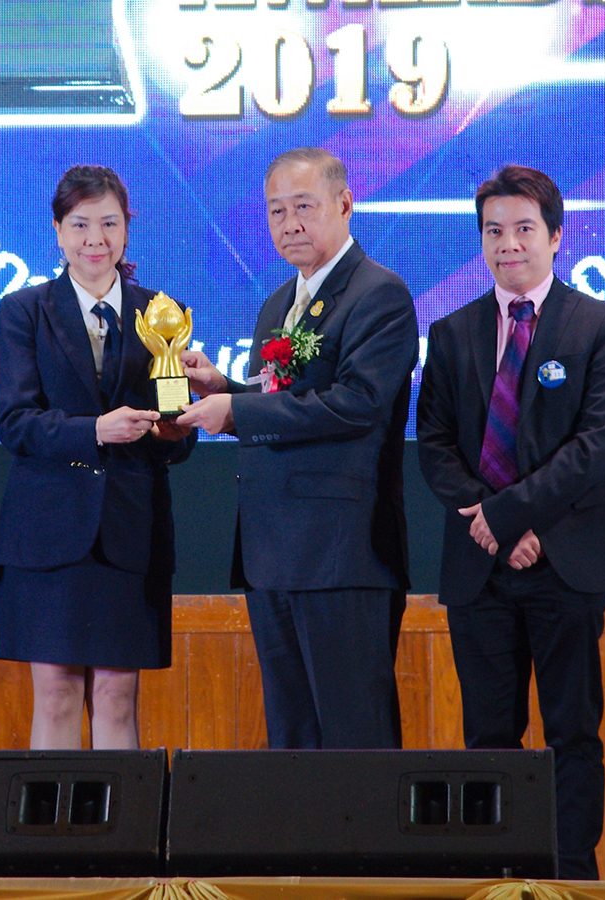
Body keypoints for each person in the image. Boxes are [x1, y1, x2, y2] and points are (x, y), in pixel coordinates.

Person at [415, 164, 605, 880]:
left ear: (556, 236)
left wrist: (510, 517)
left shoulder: (600, 326)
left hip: (565, 561)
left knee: (574, 732)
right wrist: (496, 527)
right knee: (488, 736)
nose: (508, 244)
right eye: (494, 231)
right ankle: (495, 875)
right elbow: (435, 446)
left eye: (524, 229)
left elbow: (595, 446)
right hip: (479, 570)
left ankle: (573, 877)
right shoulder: (451, 333)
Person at [178, 147, 417, 749]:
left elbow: (356, 404)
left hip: (342, 553)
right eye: (276, 210)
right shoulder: (278, 303)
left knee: (353, 739)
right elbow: (280, 401)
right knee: (292, 741)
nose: (289, 223)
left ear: (345, 204)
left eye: (304, 207)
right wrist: (224, 390)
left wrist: (237, 411)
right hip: (273, 552)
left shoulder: (379, 294)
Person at [0, 165, 195, 749]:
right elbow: (16, 423)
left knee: (116, 695)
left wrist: (174, 430)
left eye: (109, 223)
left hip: (130, 532)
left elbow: (179, 432)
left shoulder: (163, 313)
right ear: (57, 230)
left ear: (127, 228)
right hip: (50, 534)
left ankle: (118, 815)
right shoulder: (24, 311)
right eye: (80, 224)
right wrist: (96, 430)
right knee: (55, 694)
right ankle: (49, 816)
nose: (95, 239)